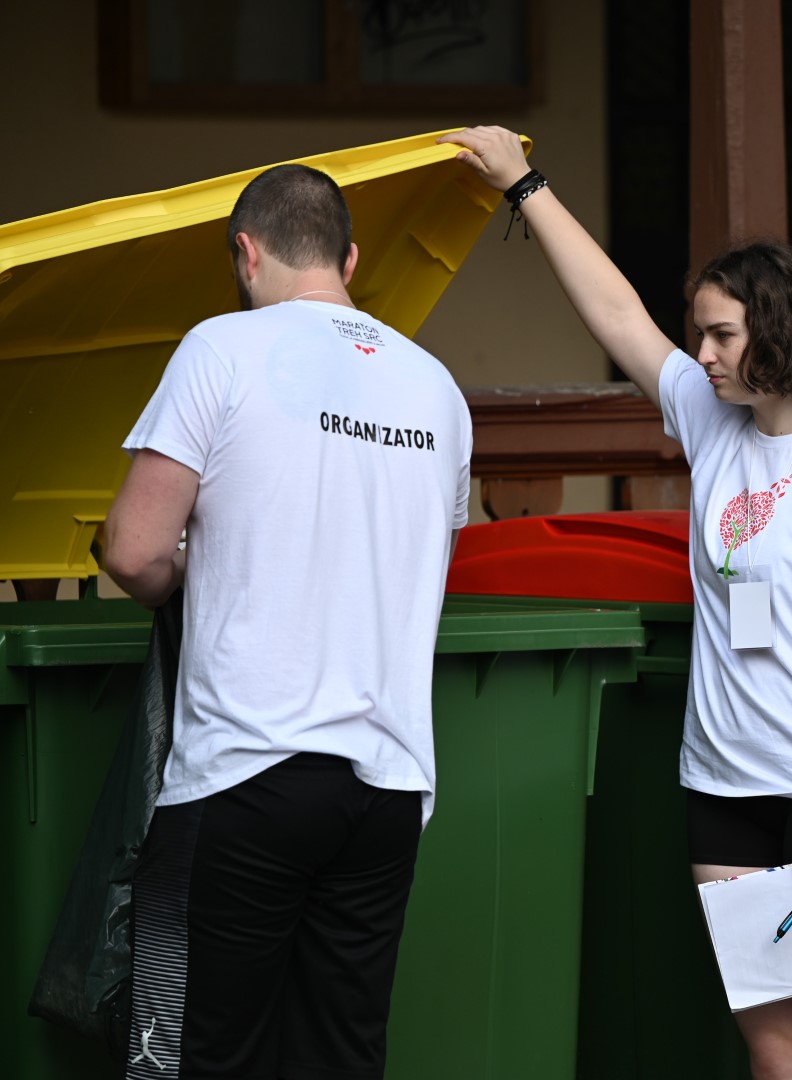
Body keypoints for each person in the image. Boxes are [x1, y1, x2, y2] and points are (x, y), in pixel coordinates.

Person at [440, 126, 792, 1080]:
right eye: (698, 334)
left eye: (721, 335)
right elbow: (617, 314)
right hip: (724, 794)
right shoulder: (714, 420)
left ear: (778, 332)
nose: (700, 353)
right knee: (780, 1060)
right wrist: (524, 186)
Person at [103, 163, 473, 1079]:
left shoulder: (221, 347)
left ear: (246, 252)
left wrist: (193, 572)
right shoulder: (436, 387)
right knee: (338, 1056)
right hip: (388, 784)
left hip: (246, 771)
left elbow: (133, 552)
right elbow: (417, 557)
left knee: (193, 1055)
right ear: (350, 260)